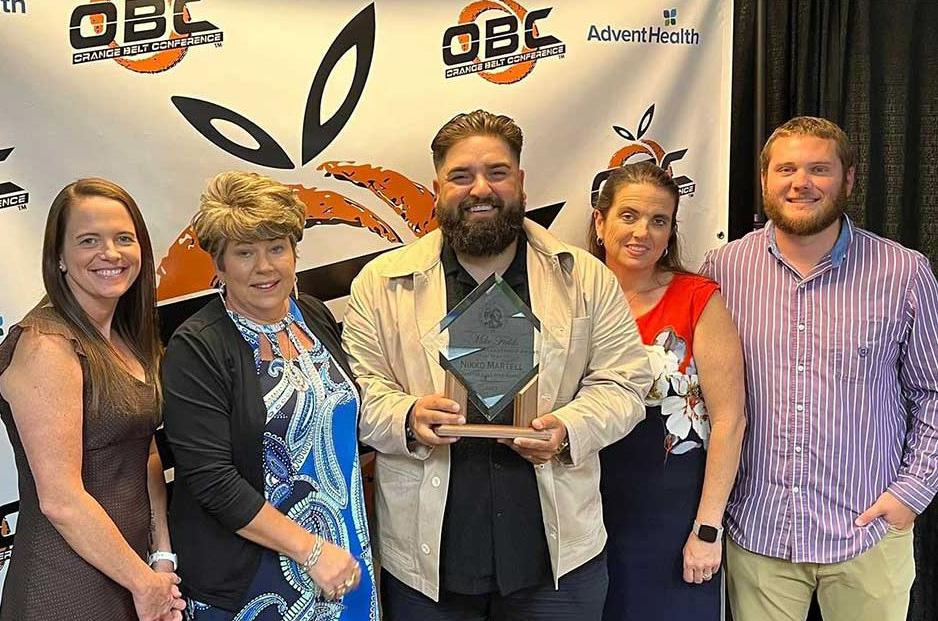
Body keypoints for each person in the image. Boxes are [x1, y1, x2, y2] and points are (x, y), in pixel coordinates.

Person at [341, 109, 653, 621]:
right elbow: (357, 392)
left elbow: (625, 383)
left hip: (557, 563)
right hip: (428, 568)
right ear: (437, 189)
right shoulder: (382, 284)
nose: (480, 189)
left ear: (521, 181)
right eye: (461, 176)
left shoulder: (585, 277)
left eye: (497, 172)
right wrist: (408, 418)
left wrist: (569, 429)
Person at [702, 116, 938, 621]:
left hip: (867, 532)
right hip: (759, 535)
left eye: (819, 169)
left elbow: (932, 393)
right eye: (786, 169)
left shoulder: (903, 272)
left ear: (848, 179)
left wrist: (910, 494)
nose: (800, 183)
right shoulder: (723, 270)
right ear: (764, 179)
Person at [161, 171, 377, 620]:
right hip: (253, 578)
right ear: (219, 265)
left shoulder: (311, 315)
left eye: (276, 248)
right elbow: (212, 481)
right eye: (245, 252)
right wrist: (310, 551)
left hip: (342, 558)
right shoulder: (197, 346)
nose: (265, 267)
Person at [0, 178, 184, 621]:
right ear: (59, 257)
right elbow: (61, 499)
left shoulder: (127, 335)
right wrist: (145, 585)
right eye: (89, 240)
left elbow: (145, 453)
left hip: (129, 576)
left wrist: (161, 559)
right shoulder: (47, 346)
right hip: (64, 589)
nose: (111, 253)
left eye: (124, 238)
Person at [589, 161, 745, 620]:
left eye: (659, 220)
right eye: (629, 215)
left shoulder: (698, 298)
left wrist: (707, 529)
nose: (643, 232)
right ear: (600, 222)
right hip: (580, 520)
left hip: (671, 524)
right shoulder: (569, 296)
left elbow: (730, 421)